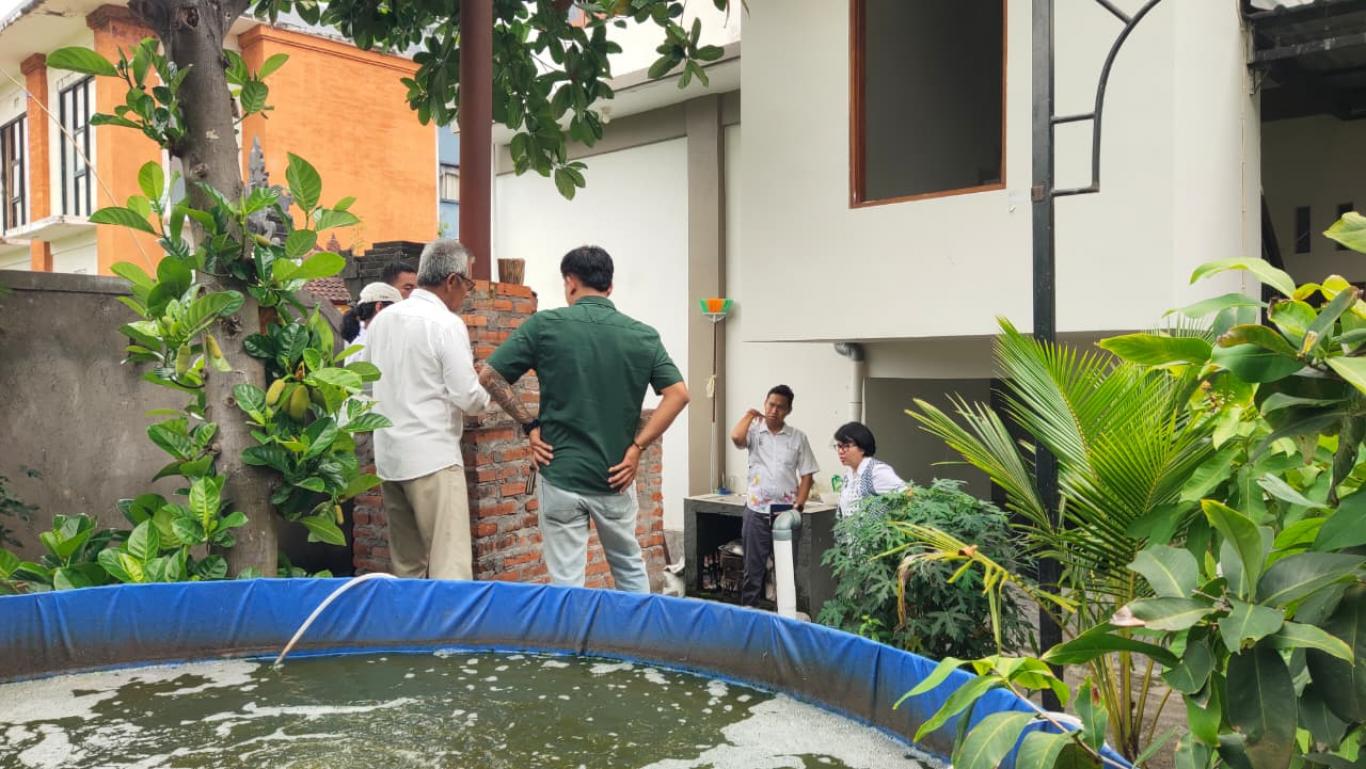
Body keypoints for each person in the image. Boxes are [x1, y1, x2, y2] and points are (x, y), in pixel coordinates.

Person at [480, 245, 690, 593]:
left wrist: (530, 426)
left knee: (567, 584)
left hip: (560, 473)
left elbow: (489, 376)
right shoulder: (642, 335)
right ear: (610, 286)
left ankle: (573, 630)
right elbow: (679, 394)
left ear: (570, 282)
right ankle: (636, 630)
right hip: (615, 476)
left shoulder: (545, 325)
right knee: (629, 568)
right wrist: (637, 448)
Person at [359, 239, 489, 580]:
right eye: (468, 284)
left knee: (407, 568)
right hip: (433, 459)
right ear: (452, 280)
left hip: (390, 459)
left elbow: (365, 387)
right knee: (450, 568)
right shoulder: (446, 324)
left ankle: (410, 618)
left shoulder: (383, 321)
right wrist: (486, 393)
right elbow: (468, 397)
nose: (467, 294)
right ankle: (450, 619)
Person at [729, 385, 820, 607]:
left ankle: (783, 614)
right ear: (765, 404)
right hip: (756, 510)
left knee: (785, 568)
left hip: (785, 513)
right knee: (753, 569)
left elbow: (807, 475)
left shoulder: (797, 438)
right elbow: (736, 438)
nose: (774, 410)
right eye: (771, 404)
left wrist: (798, 507)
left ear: (788, 410)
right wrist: (749, 415)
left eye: (780, 407)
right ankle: (750, 613)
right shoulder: (753, 432)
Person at [833, 421, 906, 518]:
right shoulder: (849, 474)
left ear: (862, 448)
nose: (840, 451)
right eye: (839, 446)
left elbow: (905, 495)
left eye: (846, 446)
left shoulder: (876, 471)